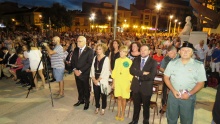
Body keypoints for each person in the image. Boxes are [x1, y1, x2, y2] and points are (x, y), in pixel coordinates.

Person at [164, 41, 206, 124]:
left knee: (186, 120)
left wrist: (189, 94)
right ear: (179, 52)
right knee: (171, 119)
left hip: (188, 97)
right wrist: (173, 90)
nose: (185, 52)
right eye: (183, 50)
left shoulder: (198, 65)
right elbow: (166, 77)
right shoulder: (172, 63)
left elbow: (201, 83)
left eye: (188, 50)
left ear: (192, 53)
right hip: (173, 95)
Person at [129, 44, 158, 124]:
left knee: (146, 106)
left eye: (145, 50)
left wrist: (138, 76)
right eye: (141, 50)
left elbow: (151, 76)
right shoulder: (136, 59)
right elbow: (131, 71)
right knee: (136, 105)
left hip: (146, 87)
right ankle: (135, 120)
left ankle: (146, 121)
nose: (143, 51)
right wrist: (143, 73)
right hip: (136, 87)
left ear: (149, 52)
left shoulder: (153, 62)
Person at [71, 36, 94, 110]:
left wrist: (80, 71)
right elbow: (73, 61)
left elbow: (89, 63)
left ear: (84, 42)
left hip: (84, 73)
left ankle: (87, 102)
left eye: (79, 41)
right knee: (79, 87)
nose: (78, 43)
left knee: (86, 88)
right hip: (76, 72)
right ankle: (81, 100)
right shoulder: (76, 49)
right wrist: (75, 70)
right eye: (77, 41)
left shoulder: (89, 50)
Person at [112, 45, 133, 121]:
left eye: (123, 52)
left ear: (126, 53)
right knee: (118, 98)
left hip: (125, 82)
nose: (121, 53)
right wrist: (113, 82)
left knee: (124, 99)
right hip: (117, 81)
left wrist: (130, 85)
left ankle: (123, 113)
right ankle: (118, 112)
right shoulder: (117, 60)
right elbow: (114, 72)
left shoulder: (129, 61)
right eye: (120, 51)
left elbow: (131, 74)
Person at [90, 43, 110, 115]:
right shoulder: (95, 57)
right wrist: (93, 78)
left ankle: (103, 108)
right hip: (95, 77)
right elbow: (92, 68)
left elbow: (105, 71)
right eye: (97, 49)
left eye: (100, 49)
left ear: (103, 50)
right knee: (96, 94)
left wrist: (98, 80)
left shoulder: (106, 58)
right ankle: (97, 106)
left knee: (103, 94)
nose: (98, 50)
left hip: (102, 79)